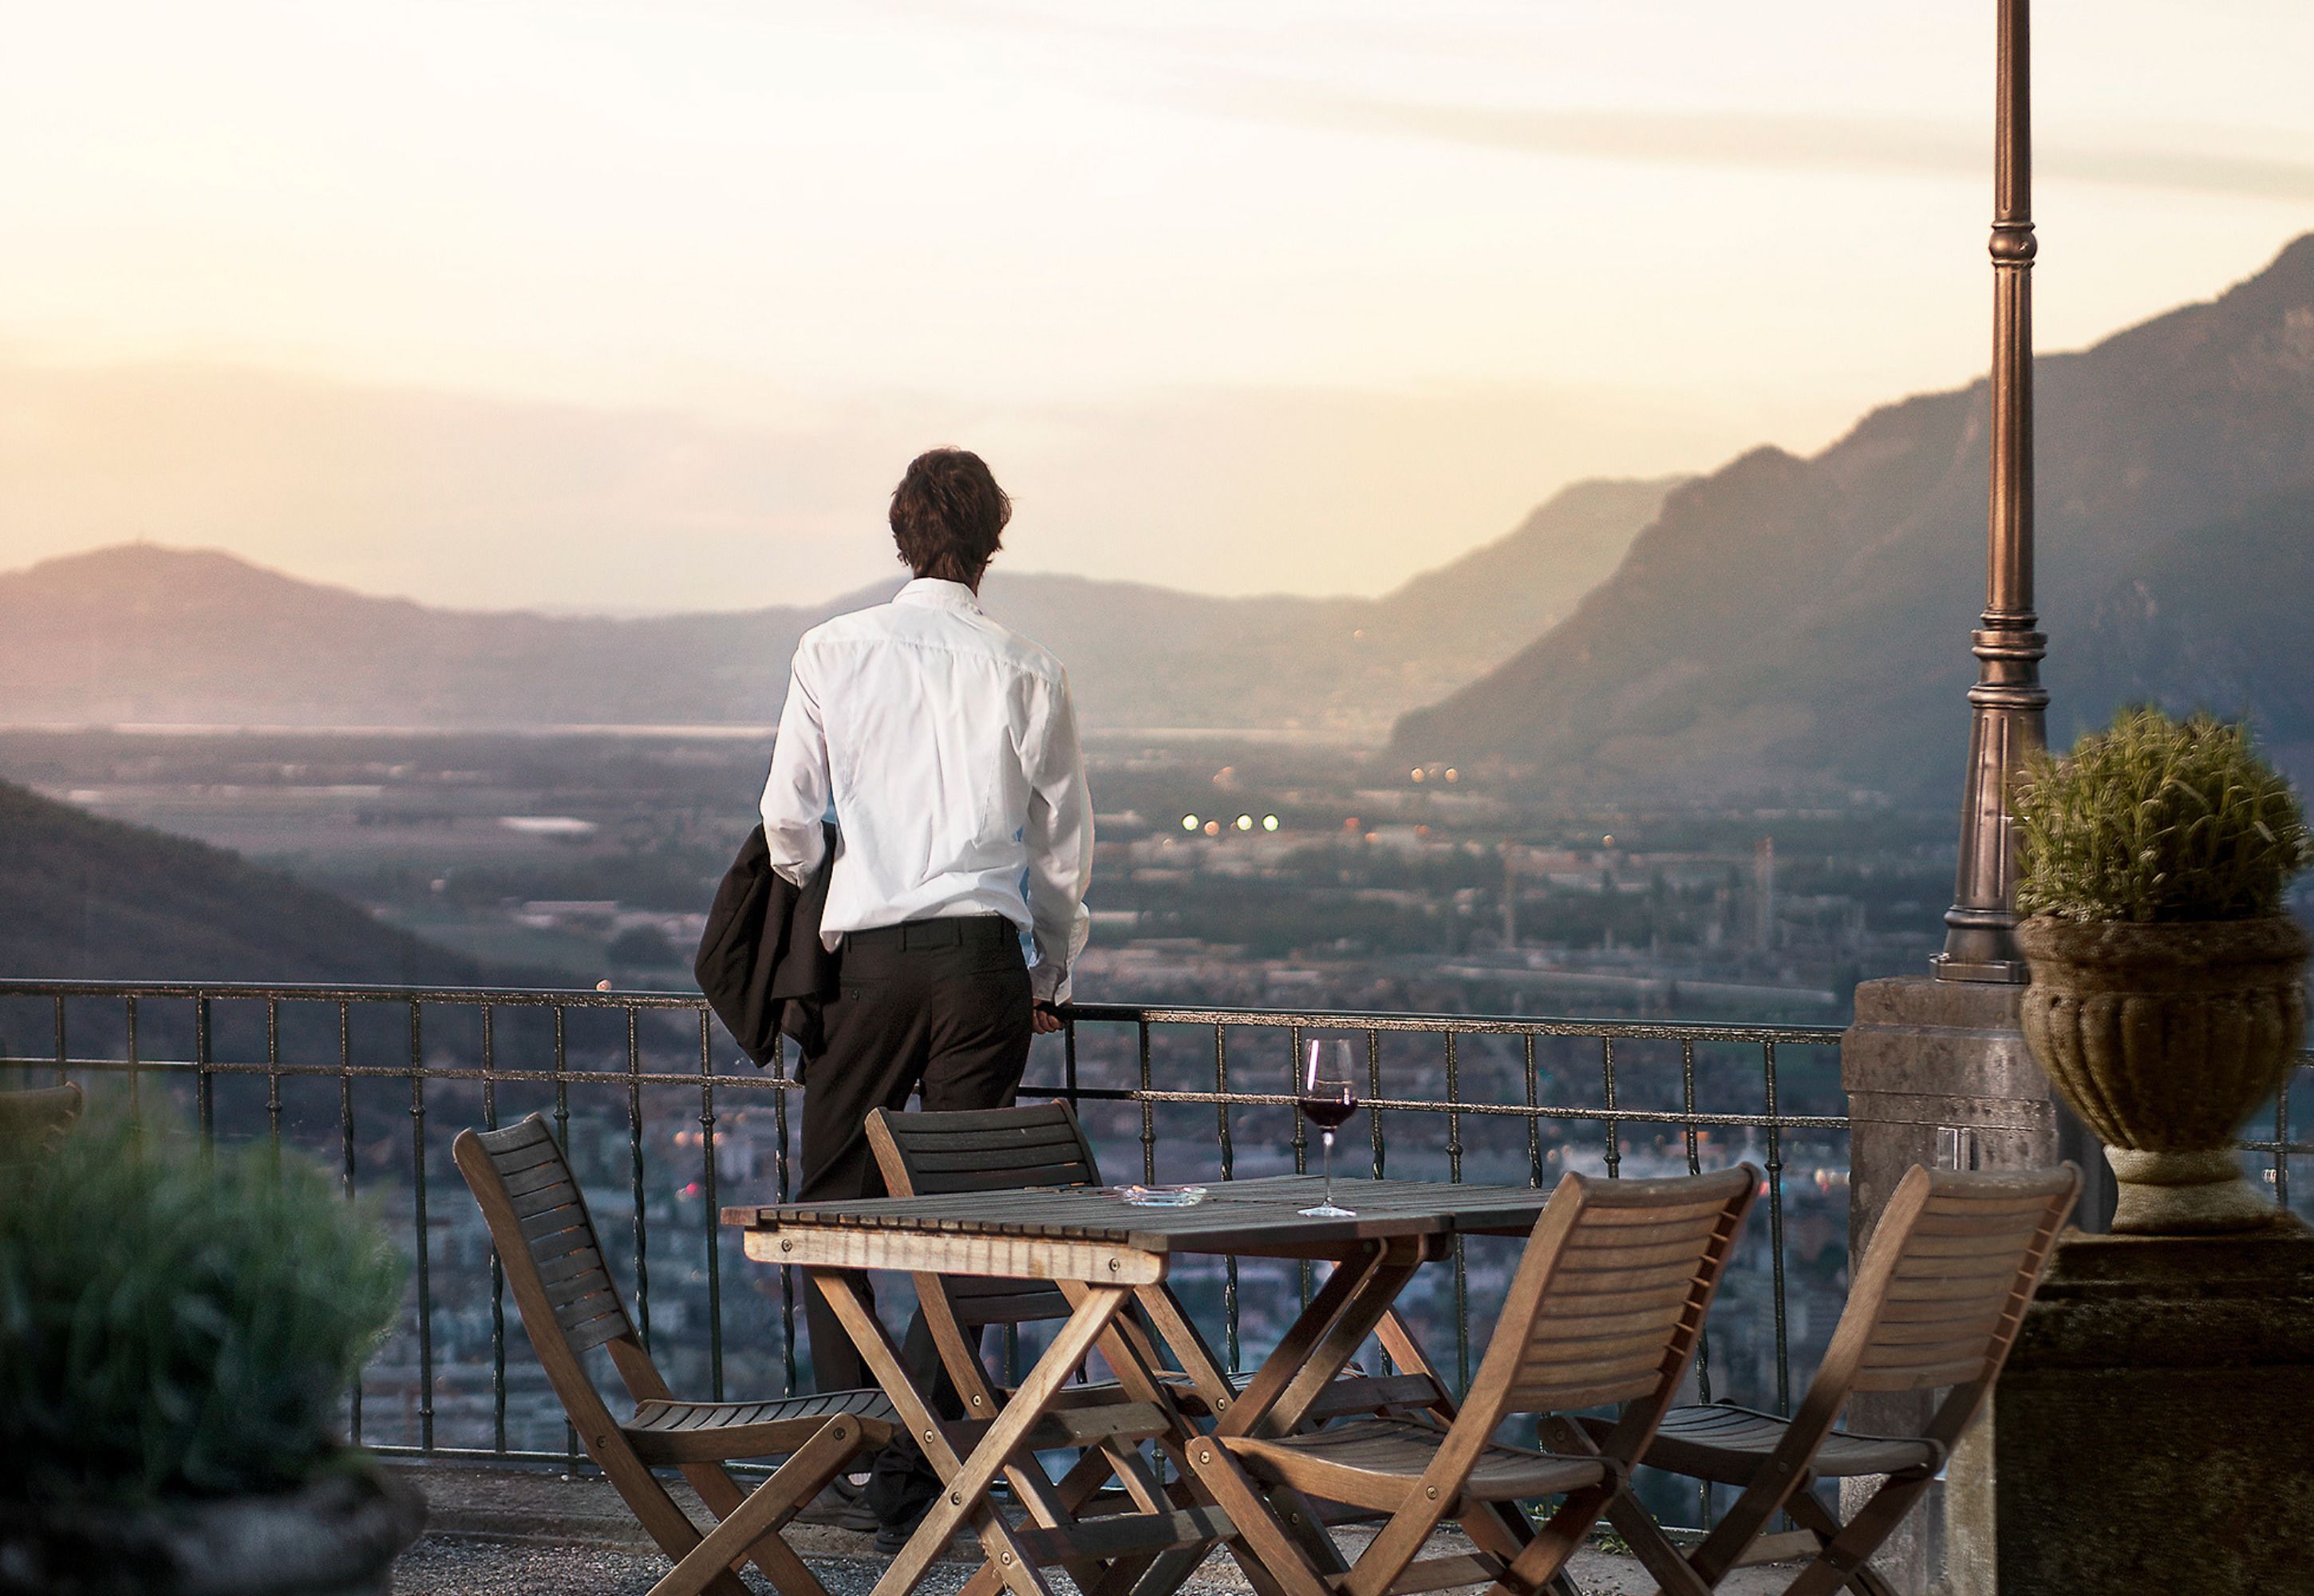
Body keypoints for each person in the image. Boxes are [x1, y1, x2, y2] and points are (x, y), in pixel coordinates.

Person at [758, 447, 1092, 1546]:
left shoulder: (831, 649)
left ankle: (856, 1442)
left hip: (869, 966)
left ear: (903, 536)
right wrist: (1050, 974)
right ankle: (916, 1472)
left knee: (829, 1213)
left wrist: (817, 879)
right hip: (984, 966)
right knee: (968, 1223)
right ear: (994, 541)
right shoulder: (1030, 668)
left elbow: (789, 820)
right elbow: (1062, 848)